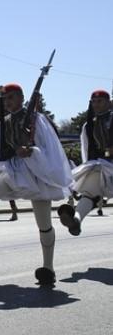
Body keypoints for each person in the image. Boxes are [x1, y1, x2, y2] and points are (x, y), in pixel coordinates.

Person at [0, 83, 72, 285]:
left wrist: (32, 152)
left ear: (21, 97)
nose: (8, 102)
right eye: (6, 99)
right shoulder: (4, 122)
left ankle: (48, 268)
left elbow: (49, 147)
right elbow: (0, 150)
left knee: (44, 224)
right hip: (13, 169)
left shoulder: (37, 119)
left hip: (37, 172)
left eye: (11, 97)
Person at [58, 89, 113, 236]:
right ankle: (76, 220)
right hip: (102, 165)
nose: (96, 105)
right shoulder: (88, 125)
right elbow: (86, 148)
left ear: (109, 102)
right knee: (88, 193)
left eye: (100, 101)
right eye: (93, 102)